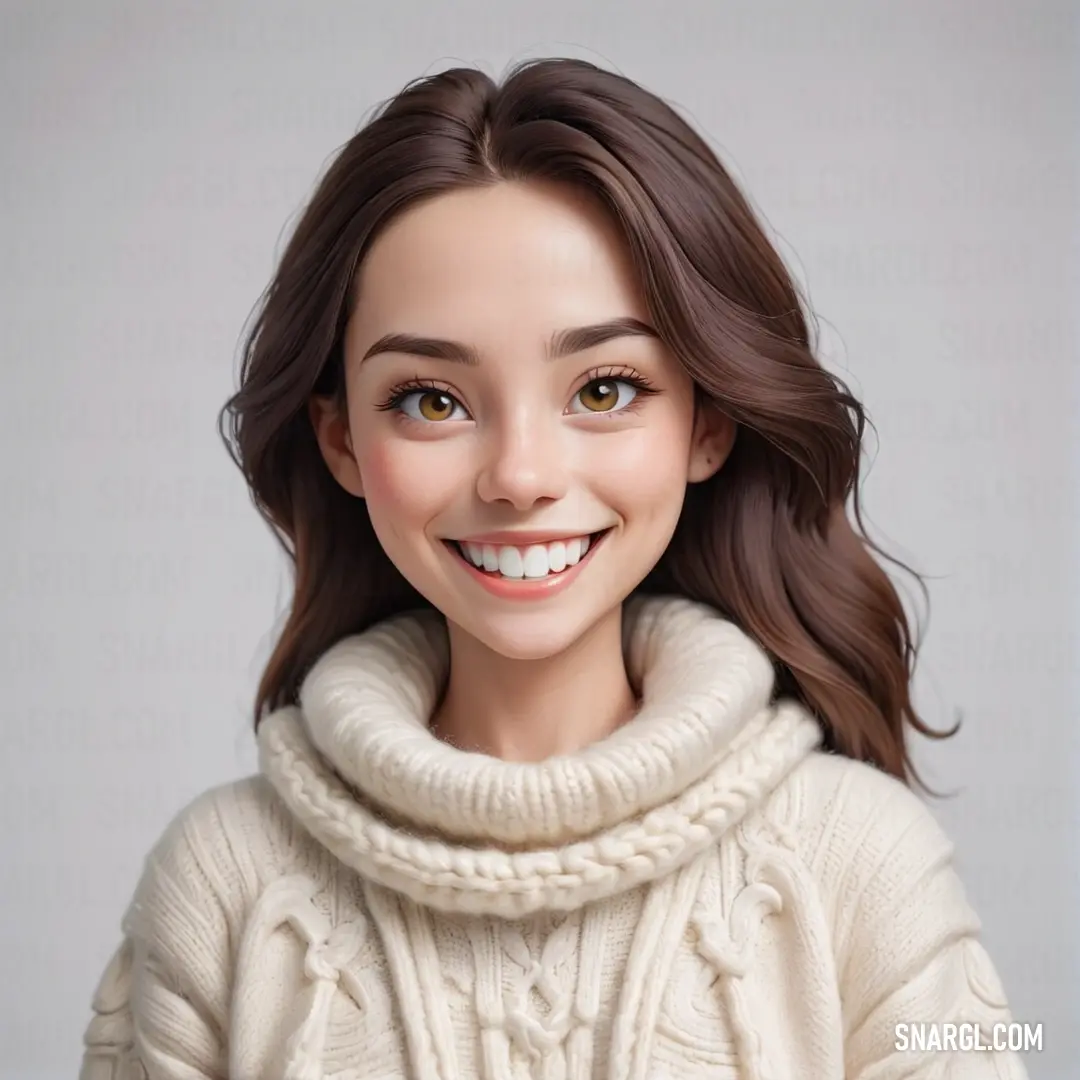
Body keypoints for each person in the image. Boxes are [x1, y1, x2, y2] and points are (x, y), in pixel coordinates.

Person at [79, 59, 1028, 1080]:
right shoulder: (219, 887)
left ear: (705, 422)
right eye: (431, 400)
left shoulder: (864, 866)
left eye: (606, 388)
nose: (521, 476)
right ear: (342, 441)